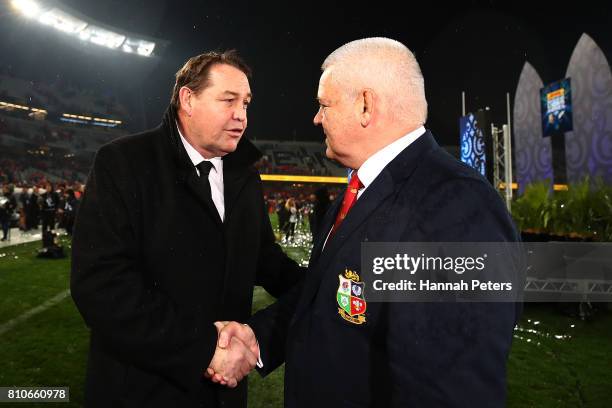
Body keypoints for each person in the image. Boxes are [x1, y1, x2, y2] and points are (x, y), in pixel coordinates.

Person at [214, 38, 521, 407]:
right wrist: (257, 339)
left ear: (365, 105)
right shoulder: (360, 189)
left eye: (323, 104)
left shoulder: (455, 206)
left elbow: (450, 389)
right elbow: (326, 294)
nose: (316, 118)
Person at [70, 50, 303, 408]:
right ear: (188, 99)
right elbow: (101, 286)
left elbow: (264, 259)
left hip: (223, 396)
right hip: (142, 390)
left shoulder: (244, 174)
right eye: (228, 100)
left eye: (246, 102)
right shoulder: (124, 162)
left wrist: (318, 283)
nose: (241, 115)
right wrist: (203, 349)